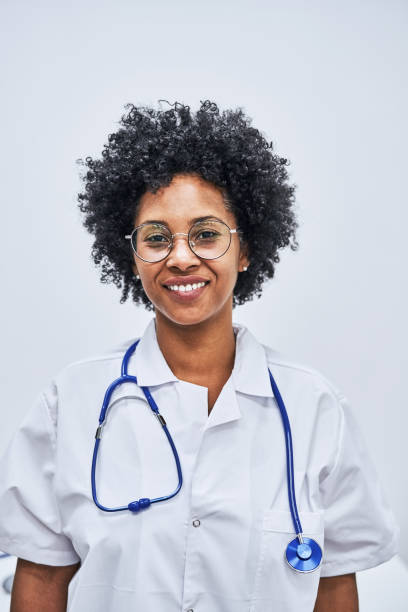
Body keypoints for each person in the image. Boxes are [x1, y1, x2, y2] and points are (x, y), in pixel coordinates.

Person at [0, 100, 399, 612]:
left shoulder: (314, 408)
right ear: (133, 254)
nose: (182, 256)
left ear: (246, 248)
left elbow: (334, 585)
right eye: (156, 237)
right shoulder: (70, 403)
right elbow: (41, 579)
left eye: (207, 234)